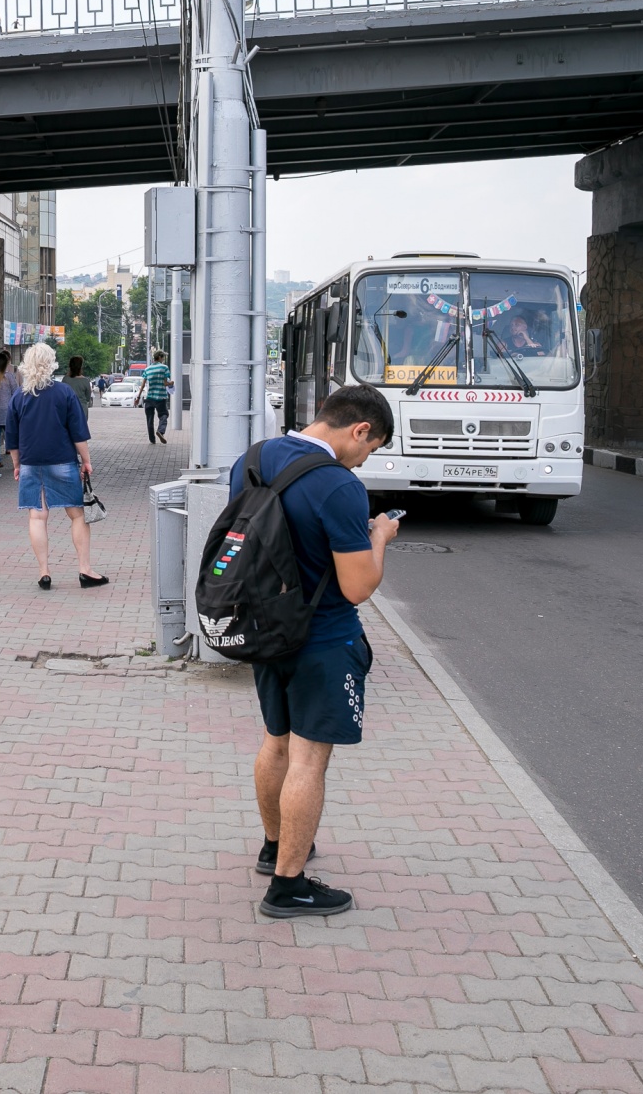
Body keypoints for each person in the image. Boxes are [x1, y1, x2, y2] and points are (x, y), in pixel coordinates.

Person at [227, 384, 398, 919]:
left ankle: (275, 846)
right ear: (359, 429)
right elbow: (356, 587)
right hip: (322, 638)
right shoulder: (338, 486)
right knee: (308, 758)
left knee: (275, 742)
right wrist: (379, 538)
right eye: (371, 448)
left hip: (265, 628)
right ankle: (289, 886)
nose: (365, 458)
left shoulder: (252, 458)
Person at [7, 343, 105, 591]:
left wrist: (17, 465)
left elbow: (12, 437)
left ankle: (44, 573)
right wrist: (86, 461)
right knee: (77, 515)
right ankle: (85, 570)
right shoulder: (64, 393)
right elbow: (77, 433)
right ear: (51, 363)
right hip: (62, 461)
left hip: (30, 463)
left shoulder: (19, 396)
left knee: (37, 517)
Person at [140, 348, 173, 443]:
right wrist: (171, 383)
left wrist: (138, 397)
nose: (163, 359)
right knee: (164, 415)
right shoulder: (164, 368)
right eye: (163, 357)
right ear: (159, 357)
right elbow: (165, 383)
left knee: (149, 419)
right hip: (160, 397)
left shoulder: (147, 369)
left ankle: (152, 439)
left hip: (149, 397)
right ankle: (160, 431)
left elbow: (143, 384)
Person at [64, 355, 94, 422]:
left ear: (70, 366)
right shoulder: (85, 381)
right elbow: (88, 397)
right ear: (81, 366)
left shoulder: (65, 380)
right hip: (82, 409)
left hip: (68, 409)